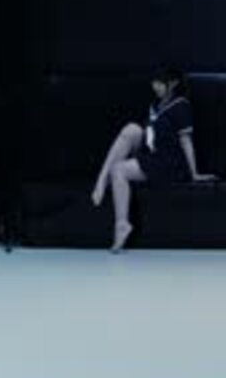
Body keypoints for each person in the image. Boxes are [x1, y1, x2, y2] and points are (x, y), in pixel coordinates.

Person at [91, 67, 216, 252]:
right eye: (154, 82)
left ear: (173, 84)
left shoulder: (181, 105)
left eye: (159, 83)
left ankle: (122, 224)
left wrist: (194, 173)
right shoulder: (156, 106)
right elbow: (150, 136)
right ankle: (101, 180)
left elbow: (186, 141)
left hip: (169, 163)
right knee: (131, 129)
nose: (155, 86)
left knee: (119, 170)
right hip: (153, 154)